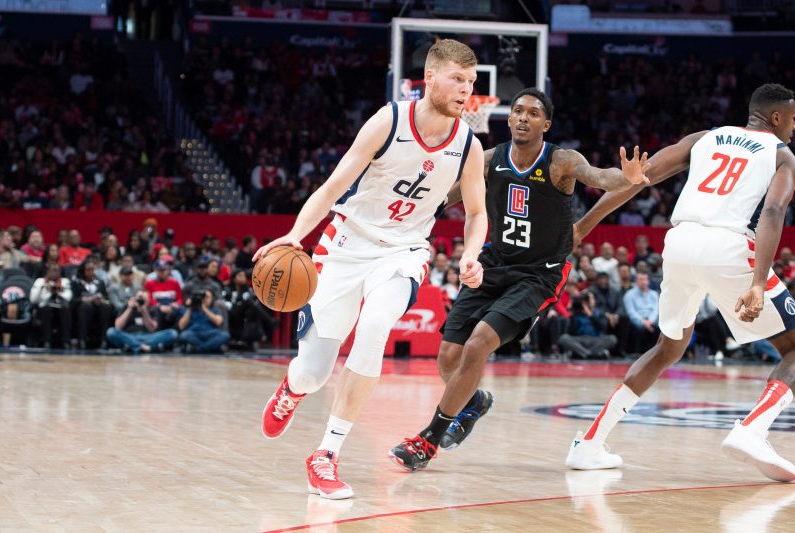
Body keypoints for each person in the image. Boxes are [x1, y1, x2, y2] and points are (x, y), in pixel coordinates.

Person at [257, 39, 489, 500]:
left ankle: (325, 454)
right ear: (430, 78)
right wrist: (296, 235)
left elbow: (478, 213)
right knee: (313, 373)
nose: (467, 90)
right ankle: (293, 387)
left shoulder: (469, 145)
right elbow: (332, 187)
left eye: (471, 82)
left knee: (376, 326)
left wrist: (471, 253)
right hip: (346, 244)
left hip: (403, 251)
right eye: (457, 79)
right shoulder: (389, 121)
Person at [387, 87, 649, 471]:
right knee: (448, 359)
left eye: (533, 113)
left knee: (478, 344)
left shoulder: (561, 161)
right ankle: (473, 403)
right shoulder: (490, 158)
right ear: (509, 119)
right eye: (518, 111)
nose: (524, 117)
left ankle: (428, 441)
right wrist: (420, 205)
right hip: (494, 263)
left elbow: (599, 176)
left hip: (538, 274)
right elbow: (451, 192)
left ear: (546, 124)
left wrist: (625, 178)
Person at [565, 83, 795, 482]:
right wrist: (759, 281)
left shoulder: (704, 138)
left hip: (679, 242)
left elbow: (635, 178)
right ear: (776, 117)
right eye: (792, 118)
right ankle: (752, 431)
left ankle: (589, 442)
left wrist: (583, 225)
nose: (794, 126)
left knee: (668, 347)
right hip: (728, 245)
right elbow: (773, 212)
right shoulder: (781, 154)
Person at [107, 289, 178, 354]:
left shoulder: (152, 309)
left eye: (144, 299)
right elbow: (118, 326)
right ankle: (145, 347)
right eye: (139, 298)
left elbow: (152, 329)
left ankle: (132, 346)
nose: (141, 301)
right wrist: (129, 309)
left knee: (172, 333)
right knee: (111, 331)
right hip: (129, 336)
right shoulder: (127, 307)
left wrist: (144, 311)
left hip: (148, 337)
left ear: (148, 300)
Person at [177, 288, 230, 353]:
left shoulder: (215, 308)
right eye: (202, 297)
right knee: (184, 335)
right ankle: (209, 348)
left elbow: (218, 322)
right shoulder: (190, 309)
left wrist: (204, 307)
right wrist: (190, 307)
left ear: (212, 299)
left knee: (225, 335)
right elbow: (181, 326)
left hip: (210, 333)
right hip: (194, 332)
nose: (204, 299)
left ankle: (200, 348)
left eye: (207, 297)